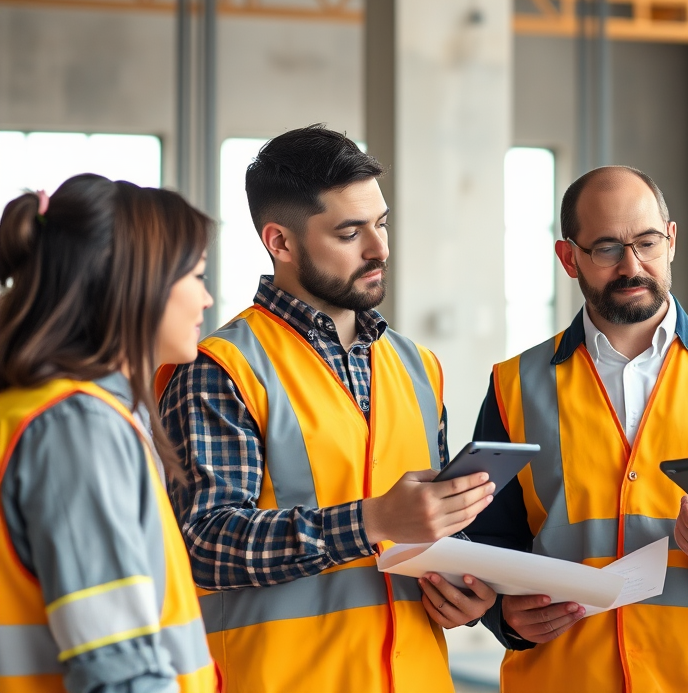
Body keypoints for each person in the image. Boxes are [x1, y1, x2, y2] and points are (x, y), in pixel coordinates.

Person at [157, 125, 495, 693]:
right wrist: (373, 521)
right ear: (281, 243)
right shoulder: (221, 369)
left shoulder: (419, 367)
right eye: (349, 232)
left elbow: (426, 536)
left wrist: (464, 593)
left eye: (381, 224)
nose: (379, 249)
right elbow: (203, 544)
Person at [457, 165, 688, 692]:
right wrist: (504, 617)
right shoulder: (515, 385)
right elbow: (483, 543)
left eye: (646, 242)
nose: (631, 265)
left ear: (671, 241)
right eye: (605, 248)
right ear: (568, 257)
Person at [0, 175, 219, 692]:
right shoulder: (78, 429)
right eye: (196, 276)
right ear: (137, 283)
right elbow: (119, 673)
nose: (207, 299)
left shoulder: (56, 413)